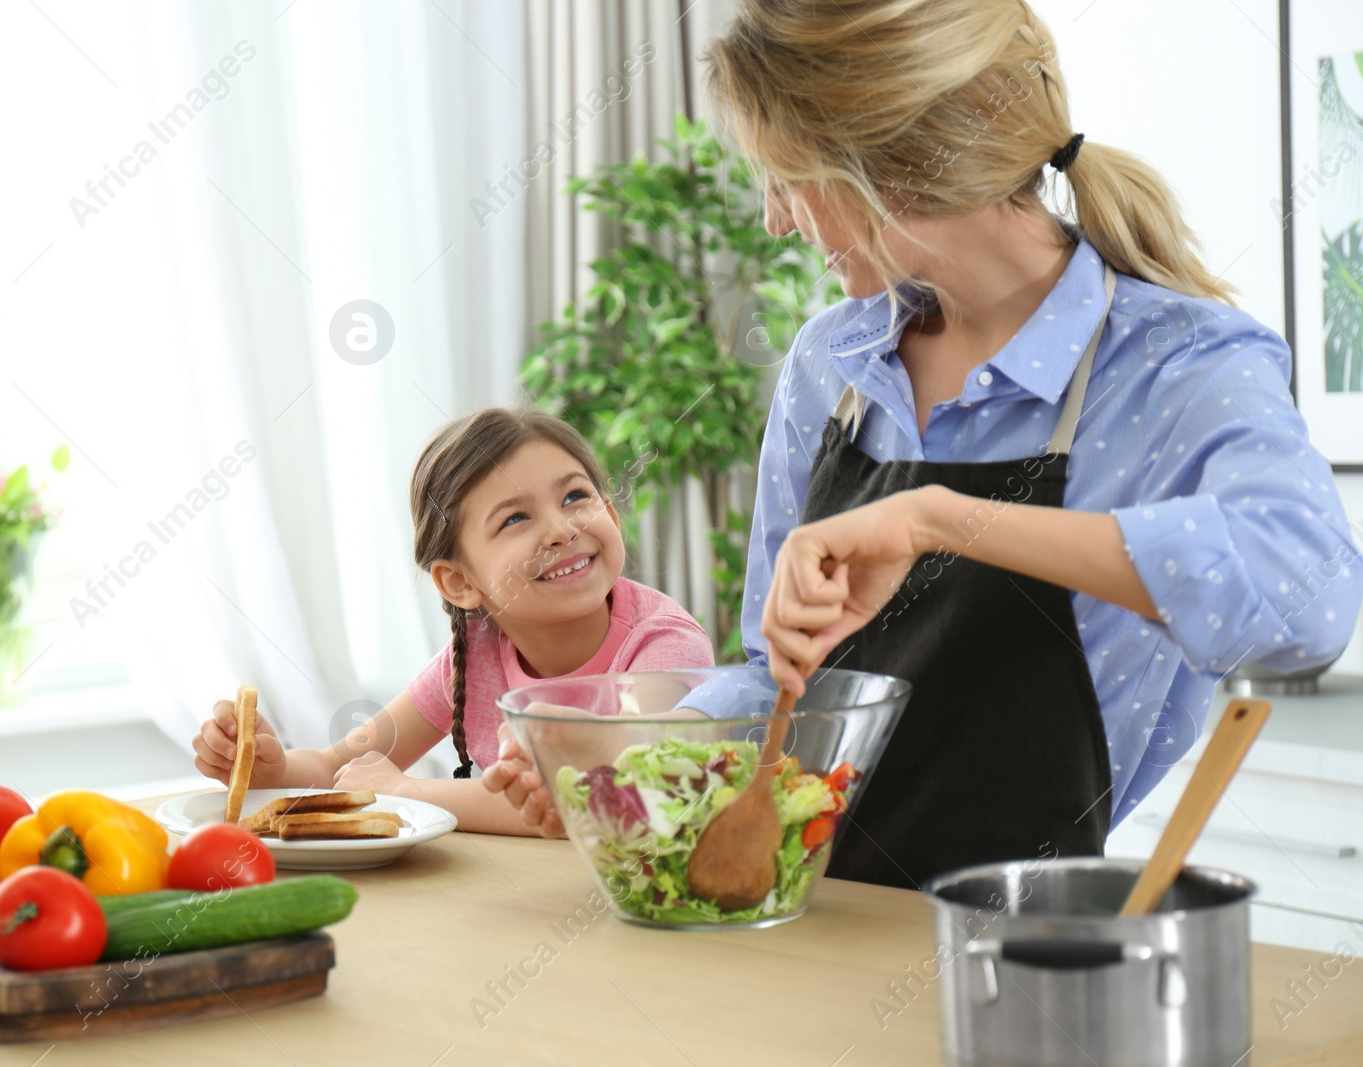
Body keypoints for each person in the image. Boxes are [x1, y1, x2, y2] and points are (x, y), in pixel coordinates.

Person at [488, 0, 1363, 885]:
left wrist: (945, 520)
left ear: (893, 161)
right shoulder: (833, 362)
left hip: (1010, 949)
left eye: (788, 180)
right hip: (804, 926)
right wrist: (631, 755)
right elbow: (777, 672)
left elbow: (1311, 603)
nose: (775, 221)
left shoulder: (1175, 362)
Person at [192, 407, 716, 835]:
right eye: (516, 518)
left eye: (575, 497)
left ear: (612, 513)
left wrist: (409, 792)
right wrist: (274, 770)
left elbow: (621, 796)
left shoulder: (664, 648)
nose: (561, 529)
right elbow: (336, 771)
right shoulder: (476, 655)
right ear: (460, 583)